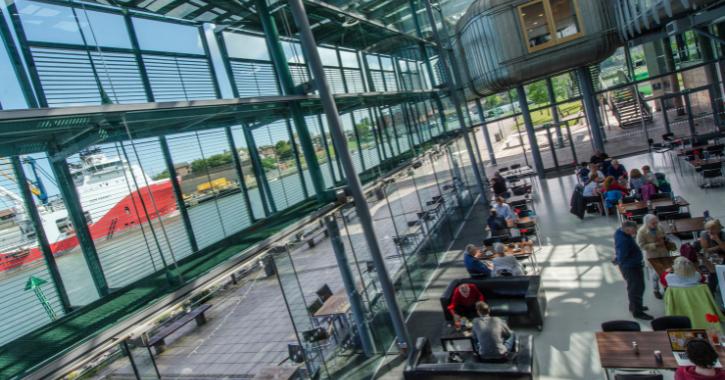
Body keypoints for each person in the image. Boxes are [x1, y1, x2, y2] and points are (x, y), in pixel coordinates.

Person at [612, 220, 652, 320]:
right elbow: (622, 255)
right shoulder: (624, 240)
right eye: (633, 231)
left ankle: (634, 306)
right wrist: (616, 261)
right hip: (631, 267)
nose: (635, 233)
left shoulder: (618, 231)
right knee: (636, 289)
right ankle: (638, 312)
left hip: (632, 265)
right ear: (626, 230)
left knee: (635, 288)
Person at [638, 214, 670, 299]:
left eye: (656, 222)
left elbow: (665, 234)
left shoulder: (659, 227)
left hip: (663, 254)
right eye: (653, 223)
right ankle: (656, 290)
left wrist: (662, 236)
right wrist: (654, 244)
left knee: (666, 272)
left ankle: (666, 288)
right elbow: (642, 245)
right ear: (647, 223)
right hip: (652, 256)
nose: (656, 225)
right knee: (654, 276)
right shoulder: (642, 232)